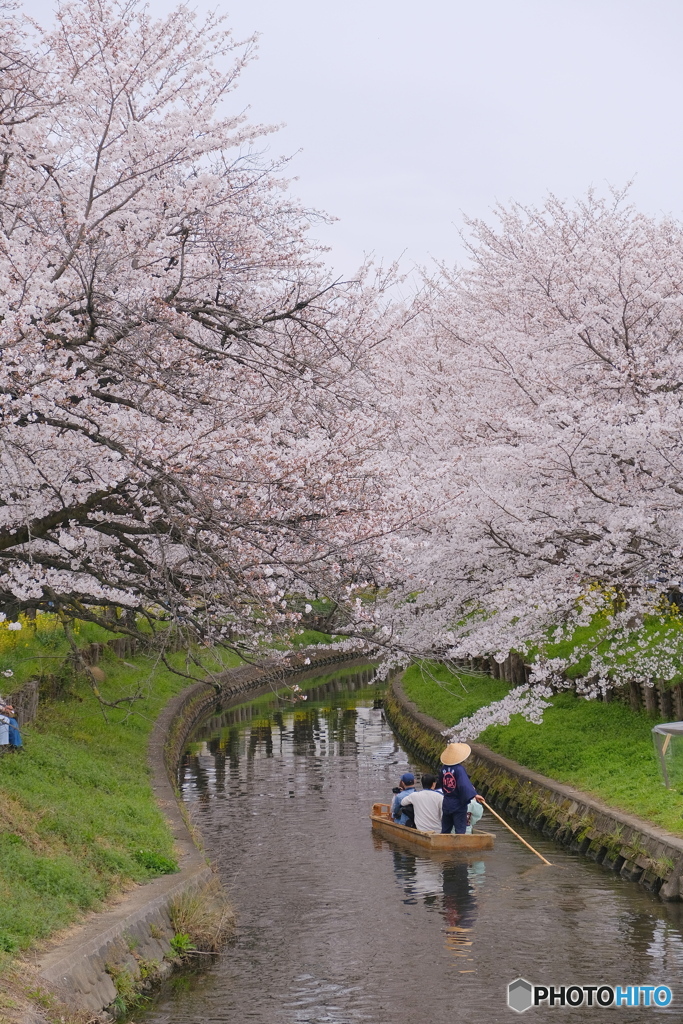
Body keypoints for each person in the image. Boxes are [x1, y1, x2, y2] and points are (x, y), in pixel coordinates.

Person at [437, 742, 484, 835]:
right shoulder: (459, 769)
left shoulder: (443, 769)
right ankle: (459, 849)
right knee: (460, 831)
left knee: (445, 830)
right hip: (458, 804)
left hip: (446, 803)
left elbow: (442, 785)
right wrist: (474, 795)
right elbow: (464, 785)